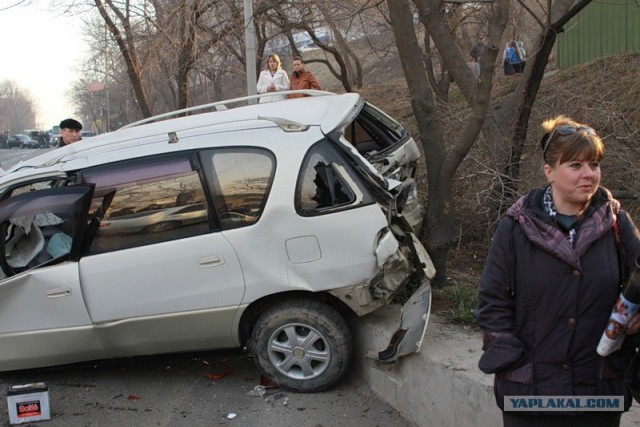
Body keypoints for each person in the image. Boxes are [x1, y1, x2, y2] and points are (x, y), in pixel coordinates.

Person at [475, 115, 640, 427]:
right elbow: (492, 301)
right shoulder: (516, 228)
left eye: (594, 164)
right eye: (575, 165)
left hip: (599, 390)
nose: (588, 174)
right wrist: (514, 360)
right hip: (530, 393)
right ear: (549, 172)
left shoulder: (616, 223)